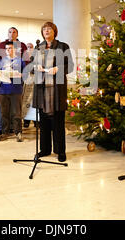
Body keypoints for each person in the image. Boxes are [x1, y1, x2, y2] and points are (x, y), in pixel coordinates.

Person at [31, 22, 74, 162]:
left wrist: (58, 68)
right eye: (44, 29)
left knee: (58, 122)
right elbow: (30, 67)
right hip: (42, 89)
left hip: (56, 89)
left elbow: (71, 66)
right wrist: (35, 66)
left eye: (49, 28)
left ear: (55, 31)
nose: (46, 30)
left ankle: (60, 151)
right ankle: (44, 149)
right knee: (43, 122)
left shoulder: (63, 46)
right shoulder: (38, 47)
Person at [0, 41, 26, 142]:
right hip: (3, 89)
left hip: (16, 90)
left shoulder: (20, 61)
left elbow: (26, 74)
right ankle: (4, 132)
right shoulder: (2, 61)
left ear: (15, 49)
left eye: (11, 48)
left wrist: (21, 75)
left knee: (16, 113)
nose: (9, 50)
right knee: (4, 113)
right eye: (7, 48)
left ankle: (18, 132)